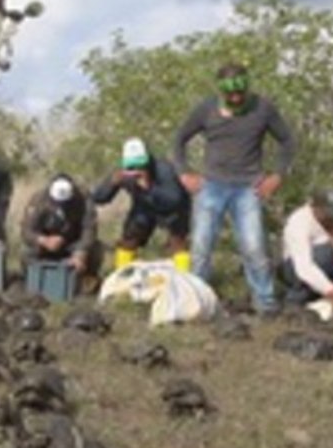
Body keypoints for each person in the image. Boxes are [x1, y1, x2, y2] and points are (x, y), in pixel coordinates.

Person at [173, 62, 298, 315]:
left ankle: (265, 302)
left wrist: (277, 175)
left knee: (254, 247)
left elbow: (287, 141)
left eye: (240, 93)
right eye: (230, 94)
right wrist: (184, 172)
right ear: (221, 91)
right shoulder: (206, 109)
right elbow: (179, 140)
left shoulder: (263, 108)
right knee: (201, 248)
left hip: (248, 188)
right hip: (211, 186)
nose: (236, 98)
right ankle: (197, 302)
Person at [92, 138, 192, 272]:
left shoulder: (164, 169)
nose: (137, 170)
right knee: (128, 241)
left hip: (174, 209)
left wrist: (148, 187)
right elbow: (99, 198)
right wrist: (112, 183)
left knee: (178, 243)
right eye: (131, 167)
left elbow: (175, 199)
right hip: (144, 208)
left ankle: (184, 279)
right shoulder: (123, 173)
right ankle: (123, 277)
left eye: (141, 166)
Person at [21, 174, 101, 283]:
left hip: (72, 242)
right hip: (46, 243)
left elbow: (89, 228)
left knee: (96, 248)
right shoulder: (38, 200)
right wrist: (44, 240)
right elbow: (27, 230)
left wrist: (80, 252)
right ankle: (33, 281)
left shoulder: (83, 199)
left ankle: (83, 282)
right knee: (27, 251)